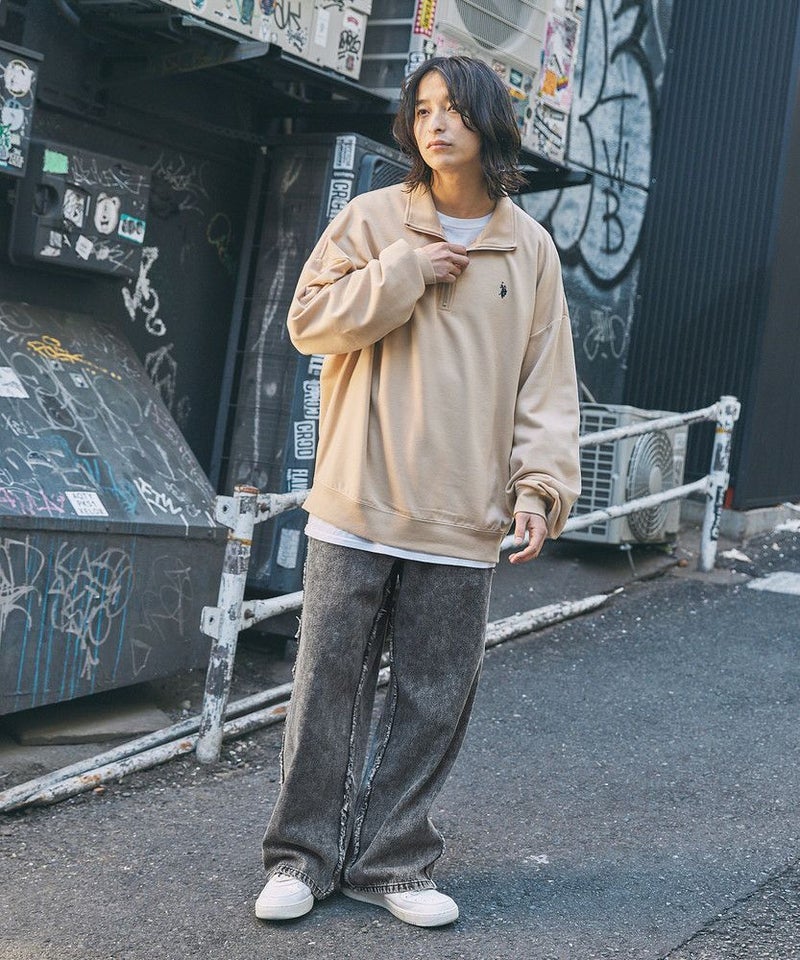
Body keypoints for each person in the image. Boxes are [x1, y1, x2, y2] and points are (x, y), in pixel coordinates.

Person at [255, 55, 581, 928]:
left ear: (489, 123)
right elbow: (307, 323)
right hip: (356, 502)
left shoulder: (529, 249)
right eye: (424, 109)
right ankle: (299, 858)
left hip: (461, 516)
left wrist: (538, 490)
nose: (436, 124)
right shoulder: (372, 221)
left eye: (455, 110)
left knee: (433, 699)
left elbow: (546, 386)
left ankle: (393, 863)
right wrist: (403, 270)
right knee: (326, 689)